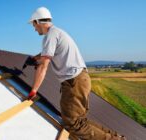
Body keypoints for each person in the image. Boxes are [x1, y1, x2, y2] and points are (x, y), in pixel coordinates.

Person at [27, 7, 126, 140]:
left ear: (38, 21)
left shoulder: (50, 36)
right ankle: (117, 137)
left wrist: (33, 91)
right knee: (80, 121)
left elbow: (44, 66)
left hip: (74, 82)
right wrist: (35, 58)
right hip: (80, 80)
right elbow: (48, 53)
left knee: (73, 123)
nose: (34, 28)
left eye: (34, 24)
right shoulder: (57, 33)